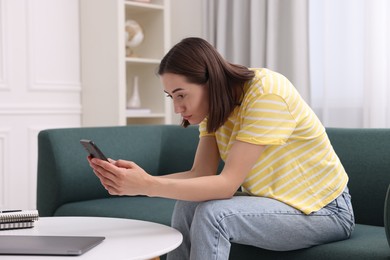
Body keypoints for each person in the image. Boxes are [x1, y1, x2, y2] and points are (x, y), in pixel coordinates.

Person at [88, 37, 355, 259]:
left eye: (181, 95)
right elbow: (199, 175)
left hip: (324, 211)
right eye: (171, 97)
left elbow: (226, 184)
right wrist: (140, 182)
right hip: (274, 203)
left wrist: (147, 186)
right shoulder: (216, 110)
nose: (177, 108)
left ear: (211, 81)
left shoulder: (266, 93)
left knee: (215, 215)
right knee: (187, 205)